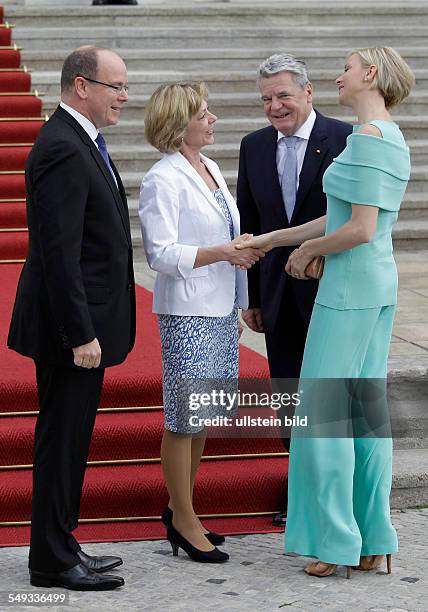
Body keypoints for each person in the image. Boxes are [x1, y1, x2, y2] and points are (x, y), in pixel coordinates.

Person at [238, 47, 414, 578]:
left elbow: (357, 228)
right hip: (372, 284)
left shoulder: (367, 138)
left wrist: (310, 252)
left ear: (371, 75)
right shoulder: (390, 134)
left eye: (348, 66)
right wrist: (272, 239)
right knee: (363, 414)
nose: (340, 74)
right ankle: (372, 538)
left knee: (326, 416)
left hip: (349, 290)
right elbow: (333, 217)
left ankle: (337, 540)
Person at [7, 46, 136, 590]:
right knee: (61, 442)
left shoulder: (78, 139)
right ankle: (52, 560)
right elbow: (58, 251)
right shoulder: (62, 146)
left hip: (83, 323)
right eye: (116, 87)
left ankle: (61, 543)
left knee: (72, 440)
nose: (124, 97)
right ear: (82, 86)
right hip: (72, 330)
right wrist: (80, 332)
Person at [139, 81, 265, 564]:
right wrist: (223, 252)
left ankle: (181, 509)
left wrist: (241, 245)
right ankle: (184, 521)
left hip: (219, 307)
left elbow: (223, 232)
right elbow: (161, 254)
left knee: (205, 413)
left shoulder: (209, 166)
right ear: (179, 124)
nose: (212, 120)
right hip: (187, 309)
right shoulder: (162, 178)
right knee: (183, 418)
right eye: (203, 114)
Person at [236, 53, 352, 525]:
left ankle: (339, 497)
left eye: (283, 95)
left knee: (331, 394)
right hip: (278, 294)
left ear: (308, 91)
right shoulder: (254, 145)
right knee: (289, 396)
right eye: (266, 98)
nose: (275, 107)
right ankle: (300, 489)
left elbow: (352, 216)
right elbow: (252, 221)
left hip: (331, 288)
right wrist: (254, 297)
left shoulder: (345, 138)